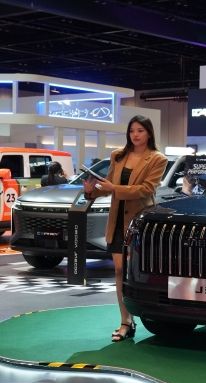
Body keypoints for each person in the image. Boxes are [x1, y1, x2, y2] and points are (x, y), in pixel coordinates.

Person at [83, 115, 168, 342]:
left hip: (139, 222)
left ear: (149, 133)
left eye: (140, 130)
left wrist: (114, 188)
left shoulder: (157, 158)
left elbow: (146, 189)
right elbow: (108, 186)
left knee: (135, 272)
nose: (135, 135)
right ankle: (125, 321)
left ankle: (148, 314)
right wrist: (91, 191)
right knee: (120, 271)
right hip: (117, 220)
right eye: (132, 131)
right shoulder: (118, 155)